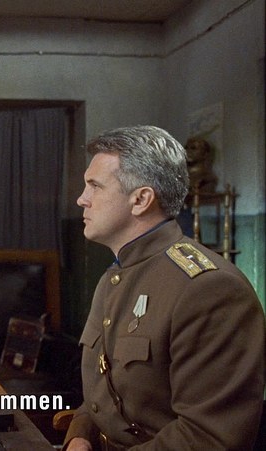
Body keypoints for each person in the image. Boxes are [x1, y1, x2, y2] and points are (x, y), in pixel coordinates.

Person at [64, 125, 265, 450]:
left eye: (95, 186)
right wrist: (80, 434)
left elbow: (208, 437)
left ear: (141, 199)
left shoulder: (210, 289)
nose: (81, 199)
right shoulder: (114, 276)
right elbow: (108, 390)